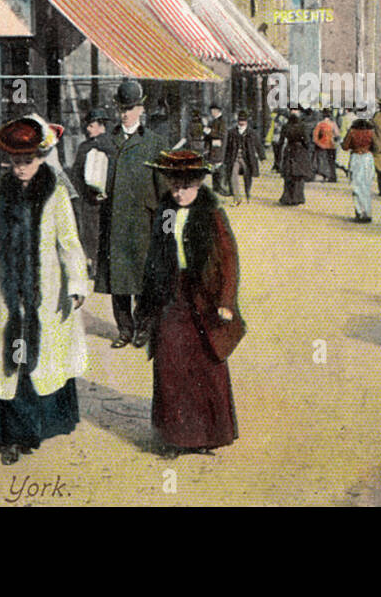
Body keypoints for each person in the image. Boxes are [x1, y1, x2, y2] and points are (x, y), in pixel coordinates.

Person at [0, 115, 88, 465]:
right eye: (15, 162)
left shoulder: (54, 193)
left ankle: (35, 429)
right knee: (11, 362)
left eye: (28, 161)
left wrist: (76, 283)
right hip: (9, 294)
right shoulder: (2, 193)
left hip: (46, 291)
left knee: (41, 361)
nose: (21, 169)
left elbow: (68, 242)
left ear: (40, 158)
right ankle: (11, 437)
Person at [140, 150, 242, 455]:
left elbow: (228, 259)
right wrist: (147, 301)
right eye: (174, 186)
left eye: (186, 186)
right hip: (173, 295)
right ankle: (175, 437)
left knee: (205, 363)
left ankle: (205, 435)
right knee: (170, 361)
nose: (179, 192)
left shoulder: (211, 214)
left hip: (204, 297)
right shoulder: (167, 212)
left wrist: (226, 300)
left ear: (198, 183)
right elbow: (156, 256)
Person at [97, 80, 166, 349]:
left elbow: (165, 192)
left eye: (131, 108)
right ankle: (124, 330)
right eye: (122, 108)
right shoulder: (106, 142)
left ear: (141, 108)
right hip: (114, 222)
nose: (125, 113)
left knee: (143, 281)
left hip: (143, 223)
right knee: (118, 281)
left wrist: (164, 226)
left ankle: (144, 329)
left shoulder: (153, 144)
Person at [69, 108, 110, 277]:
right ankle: (95, 265)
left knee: (94, 233)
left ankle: (96, 265)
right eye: (88, 125)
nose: (88, 129)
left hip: (94, 200)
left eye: (91, 125)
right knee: (92, 233)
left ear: (101, 126)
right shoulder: (112, 145)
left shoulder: (88, 147)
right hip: (91, 200)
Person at [223, 110, 264, 204]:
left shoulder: (252, 132)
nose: (241, 123)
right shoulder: (232, 132)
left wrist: (262, 157)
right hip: (235, 158)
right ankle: (237, 198)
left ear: (247, 121)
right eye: (240, 120)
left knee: (247, 177)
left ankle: (247, 194)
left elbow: (258, 145)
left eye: (243, 121)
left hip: (247, 158)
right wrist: (225, 158)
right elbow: (227, 146)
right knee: (233, 175)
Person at [342, 116, 376, 222]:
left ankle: (359, 212)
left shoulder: (352, 132)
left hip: (356, 158)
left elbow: (345, 146)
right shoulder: (371, 132)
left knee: (356, 185)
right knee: (366, 185)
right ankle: (367, 212)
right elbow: (376, 147)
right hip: (367, 158)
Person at [278, 110, 311, 206]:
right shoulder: (302, 126)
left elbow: (281, 141)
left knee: (289, 174)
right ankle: (298, 197)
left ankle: (287, 197)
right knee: (298, 174)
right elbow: (306, 141)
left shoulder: (286, 126)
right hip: (300, 151)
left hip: (289, 150)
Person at [204, 104, 227, 194]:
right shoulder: (213, 121)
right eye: (211, 111)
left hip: (219, 147)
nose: (212, 113)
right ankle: (216, 187)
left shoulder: (222, 121)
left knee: (218, 166)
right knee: (214, 166)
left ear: (218, 111)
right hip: (213, 148)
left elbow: (221, 134)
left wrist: (209, 131)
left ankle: (220, 187)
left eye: (213, 111)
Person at [312, 109, 338, 182]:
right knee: (331, 162)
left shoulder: (320, 124)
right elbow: (337, 134)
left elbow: (315, 136)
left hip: (322, 145)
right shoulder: (333, 124)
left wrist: (318, 143)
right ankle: (332, 176)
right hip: (331, 145)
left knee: (322, 162)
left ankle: (325, 175)